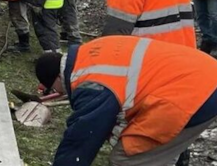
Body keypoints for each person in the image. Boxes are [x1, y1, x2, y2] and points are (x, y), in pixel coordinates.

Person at [35, 36, 217, 166]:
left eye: (54, 89)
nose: (59, 93)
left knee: (125, 158)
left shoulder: (88, 82)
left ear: (57, 78)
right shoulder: (91, 51)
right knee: (145, 149)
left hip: (192, 95)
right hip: (203, 75)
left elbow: (82, 137)